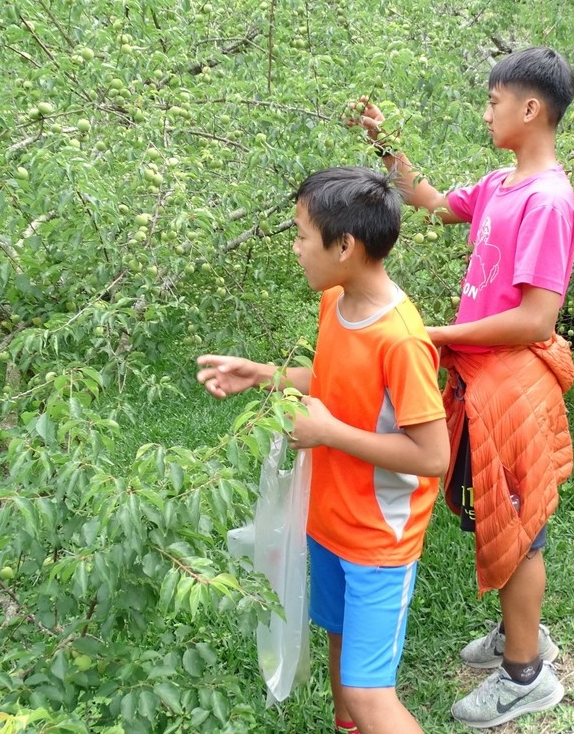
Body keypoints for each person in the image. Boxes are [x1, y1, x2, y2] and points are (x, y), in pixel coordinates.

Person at [351, 47, 574, 728]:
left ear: (529, 109)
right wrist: (386, 145)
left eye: (492, 101)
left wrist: (441, 336)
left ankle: (524, 673)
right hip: (481, 378)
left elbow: (538, 318)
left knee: (519, 526)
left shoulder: (547, 200)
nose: (486, 113)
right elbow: (426, 202)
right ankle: (523, 633)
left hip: (511, 384)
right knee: (492, 513)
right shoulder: (500, 184)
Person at [196, 166, 449, 734]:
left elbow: (433, 455)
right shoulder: (335, 300)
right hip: (328, 520)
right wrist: (265, 374)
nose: (296, 247)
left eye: (302, 236)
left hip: (378, 540)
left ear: (344, 246)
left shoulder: (402, 340)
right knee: (339, 648)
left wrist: (329, 434)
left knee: (367, 690)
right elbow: (333, 384)